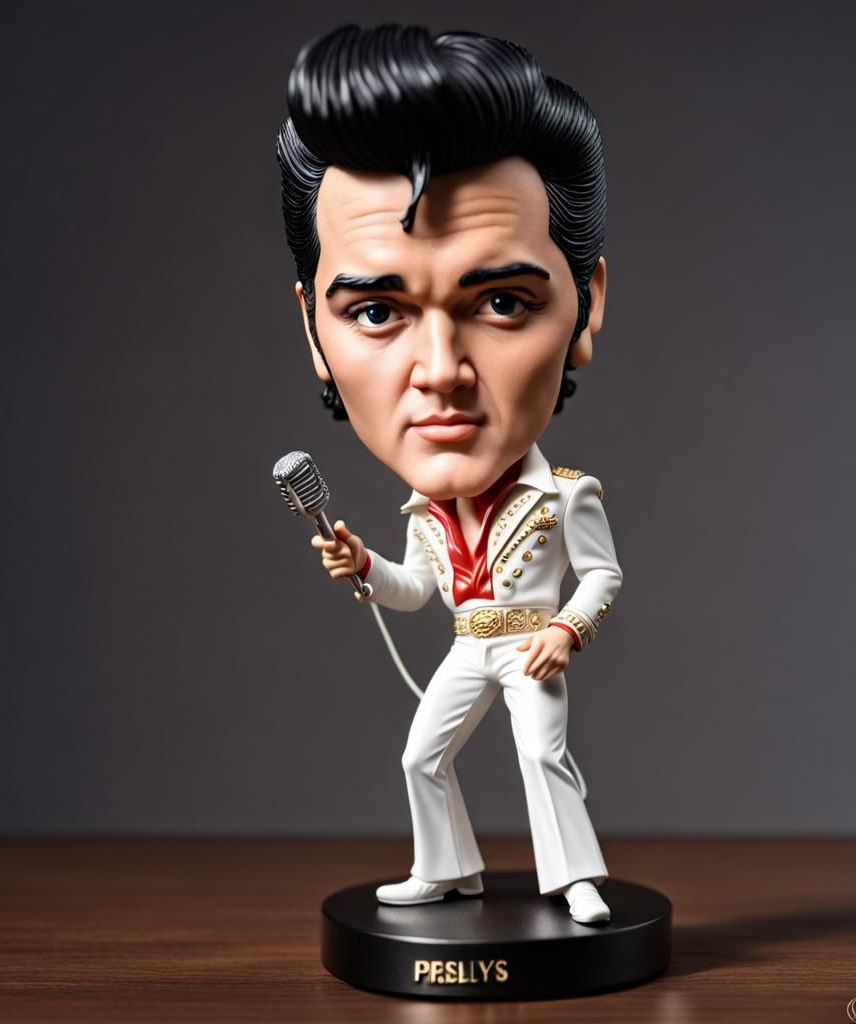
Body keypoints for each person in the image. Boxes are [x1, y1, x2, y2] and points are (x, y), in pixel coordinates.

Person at [277, 24, 621, 925]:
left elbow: (603, 575)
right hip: (471, 644)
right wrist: (364, 565)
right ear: (313, 329)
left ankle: (575, 879)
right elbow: (414, 591)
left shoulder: (566, 493)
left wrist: (568, 631)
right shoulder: (422, 513)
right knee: (420, 756)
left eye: (502, 302)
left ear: (585, 308)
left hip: (532, 641)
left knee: (543, 755)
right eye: (376, 310)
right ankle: (447, 867)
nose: (441, 372)